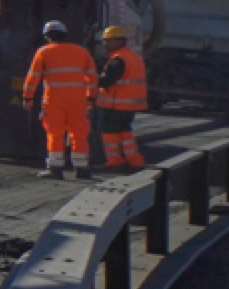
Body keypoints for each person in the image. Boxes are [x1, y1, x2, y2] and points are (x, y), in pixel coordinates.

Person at [22, 20, 100, 180]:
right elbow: (92, 77)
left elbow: (33, 77)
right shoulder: (82, 52)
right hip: (78, 101)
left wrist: (28, 97)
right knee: (79, 133)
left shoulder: (44, 52)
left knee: (55, 133)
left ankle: (55, 168)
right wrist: (91, 97)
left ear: (48, 37)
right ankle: (82, 168)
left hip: (54, 101)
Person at [96, 23, 148, 169]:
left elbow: (108, 80)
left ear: (119, 40)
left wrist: (89, 79)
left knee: (110, 133)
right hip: (128, 104)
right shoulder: (133, 57)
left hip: (116, 104)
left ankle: (115, 161)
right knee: (125, 132)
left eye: (109, 40)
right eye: (105, 40)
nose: (105, 44)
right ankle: (135, 161)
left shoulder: (118, 59)